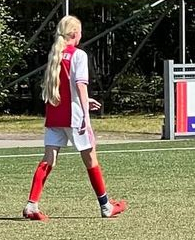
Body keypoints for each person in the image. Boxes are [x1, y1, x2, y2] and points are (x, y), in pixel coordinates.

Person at [23, 15, 127, 221]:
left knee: (48, 159)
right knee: (91, 159)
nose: (81, 34)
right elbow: (80, 84)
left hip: (54, 114)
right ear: (74, 34)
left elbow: (64, 86)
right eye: (79, 31)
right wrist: (86, 116)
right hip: (74, 116)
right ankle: (106, 206)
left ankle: (31, 205)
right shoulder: (78, 55)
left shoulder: (55, 54)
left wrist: (86, 101)